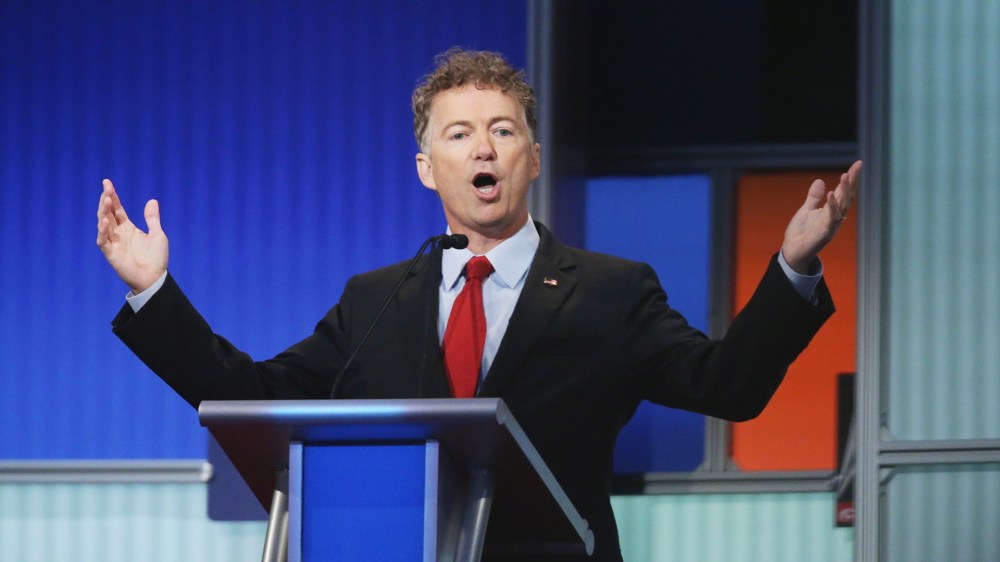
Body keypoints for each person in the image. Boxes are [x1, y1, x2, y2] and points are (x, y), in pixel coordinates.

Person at [96, 48, 860, 561]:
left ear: (531, 154)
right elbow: (252, 397)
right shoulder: (375, 300)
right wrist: (153, 291)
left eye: (503, 130)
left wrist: (793, 266)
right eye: (460, 134)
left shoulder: (610, 290)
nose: (484, 149)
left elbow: (728, 386)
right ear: (429, 169)